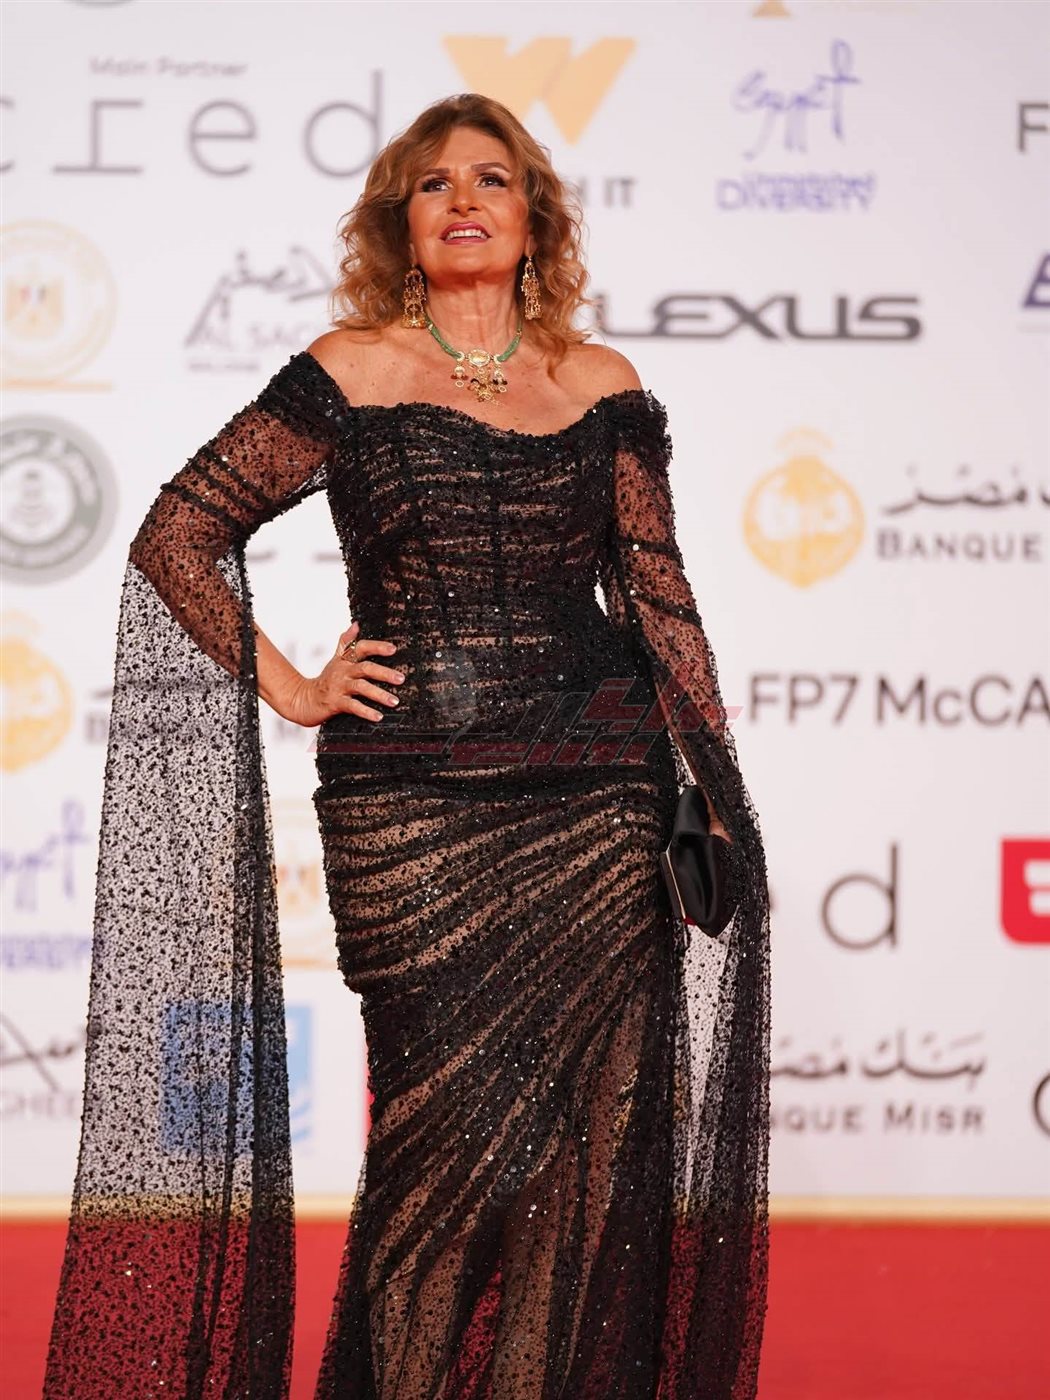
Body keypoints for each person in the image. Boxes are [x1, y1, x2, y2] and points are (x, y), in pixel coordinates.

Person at [43, 93, 771, 1399]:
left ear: (535, 220)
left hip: (599, 798)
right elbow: (178, 534)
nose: (464, 201)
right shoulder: (355, 369)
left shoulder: (601, 385)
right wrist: (291, 683)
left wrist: (707, 784)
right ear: (402, 223)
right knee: (438, 1162)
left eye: (492, 179)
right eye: (434, 185)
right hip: (409, 799)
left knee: (585, 1161)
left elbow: (658, 598)